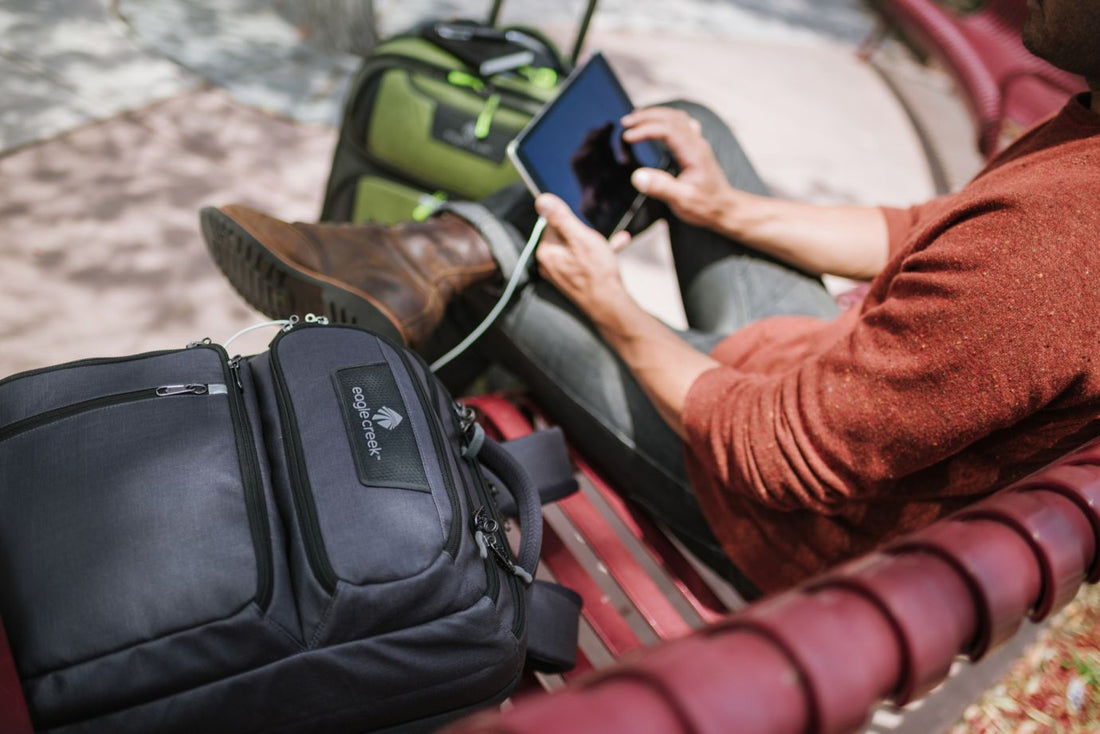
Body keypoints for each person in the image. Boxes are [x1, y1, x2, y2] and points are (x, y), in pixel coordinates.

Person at [200, 0, 1100, 598]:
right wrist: (726, 207)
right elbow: (919, 229)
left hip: (773, 517)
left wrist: (612, 306)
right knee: (673, 132)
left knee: (507, 272)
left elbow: (781, 455)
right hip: (828, 380)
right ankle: (414, 268)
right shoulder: (1082, 147)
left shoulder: (1058, 250)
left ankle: (403, 311)